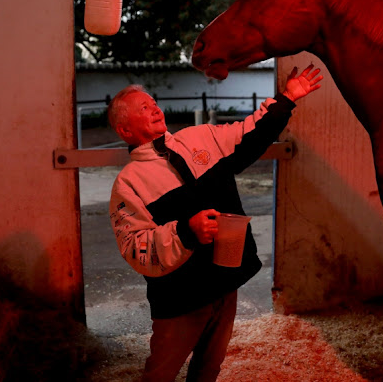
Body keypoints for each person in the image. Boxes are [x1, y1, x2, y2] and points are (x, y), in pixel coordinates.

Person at [107, 64, 323, 382]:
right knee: (160, 374)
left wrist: (287, 98)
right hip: (181, 300)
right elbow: (135, 248)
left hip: (224, 282)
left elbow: (250, 133)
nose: (154, 108)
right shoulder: (128, 185)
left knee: (209, 369)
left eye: (153, 102)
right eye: (143, 107)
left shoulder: (201, 138)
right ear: (125, 131)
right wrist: (186, 232)